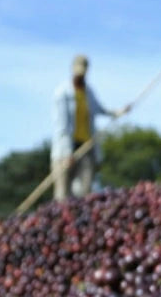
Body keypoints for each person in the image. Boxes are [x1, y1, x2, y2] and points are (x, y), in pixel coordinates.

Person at [51, 54, 129, 200]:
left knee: (85, 191)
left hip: (85, 146)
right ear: (72, 70)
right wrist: (68, 152)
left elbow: (100, 109)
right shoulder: (62, 93)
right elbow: (60, 125)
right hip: (65, 149)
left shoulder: (89, 92)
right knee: (62, 193)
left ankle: (78, 221)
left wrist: (118, 112)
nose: (81, 76)